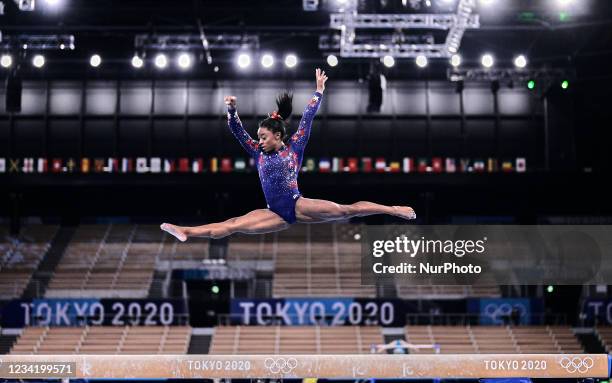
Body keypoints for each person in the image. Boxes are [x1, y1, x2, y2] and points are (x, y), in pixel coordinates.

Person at [161, 68, 416, 242]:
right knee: (233, 224)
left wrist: (319, 91)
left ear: (278, 137)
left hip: (296, 203)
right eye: (258, 137)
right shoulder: (257, 152)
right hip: (274, 212)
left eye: (263, 137)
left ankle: (392, 210)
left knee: (346, 210)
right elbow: (238, 131)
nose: (258, 141)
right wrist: (231, 111)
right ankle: (185, 231)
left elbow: (307, 117)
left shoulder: (295, 146)